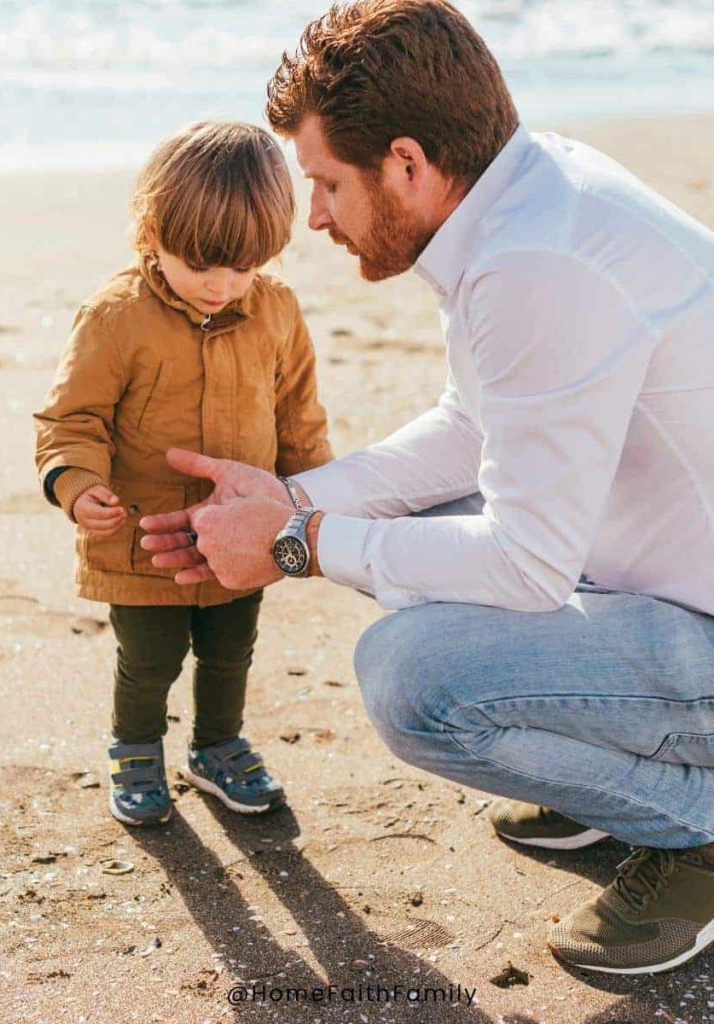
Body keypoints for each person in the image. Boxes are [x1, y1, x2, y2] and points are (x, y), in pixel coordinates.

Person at [139, 0, 714, 975]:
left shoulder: (532, 263)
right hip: (670, 577)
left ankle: (691, 827)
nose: (310, 216)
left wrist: (294, 544)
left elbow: (525, 565)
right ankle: (617, 783)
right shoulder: (524, 196)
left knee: (416, 680)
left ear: (406, 163)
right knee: (390, 535)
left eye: (324, 184)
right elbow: (466, 433)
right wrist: (293, 499)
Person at [33, 121, 332, 827]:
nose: (222, 286)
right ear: (150, 233)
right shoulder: (114, 317)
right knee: (150, 661)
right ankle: (136, 748)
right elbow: (70, 420)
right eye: (201, 264)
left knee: (231, 653)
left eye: (245, 266)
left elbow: (299, 418)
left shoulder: (277, 311)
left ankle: (216, 746)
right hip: (144, 544)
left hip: (243, 537)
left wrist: (318, 505)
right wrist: (77, 488)